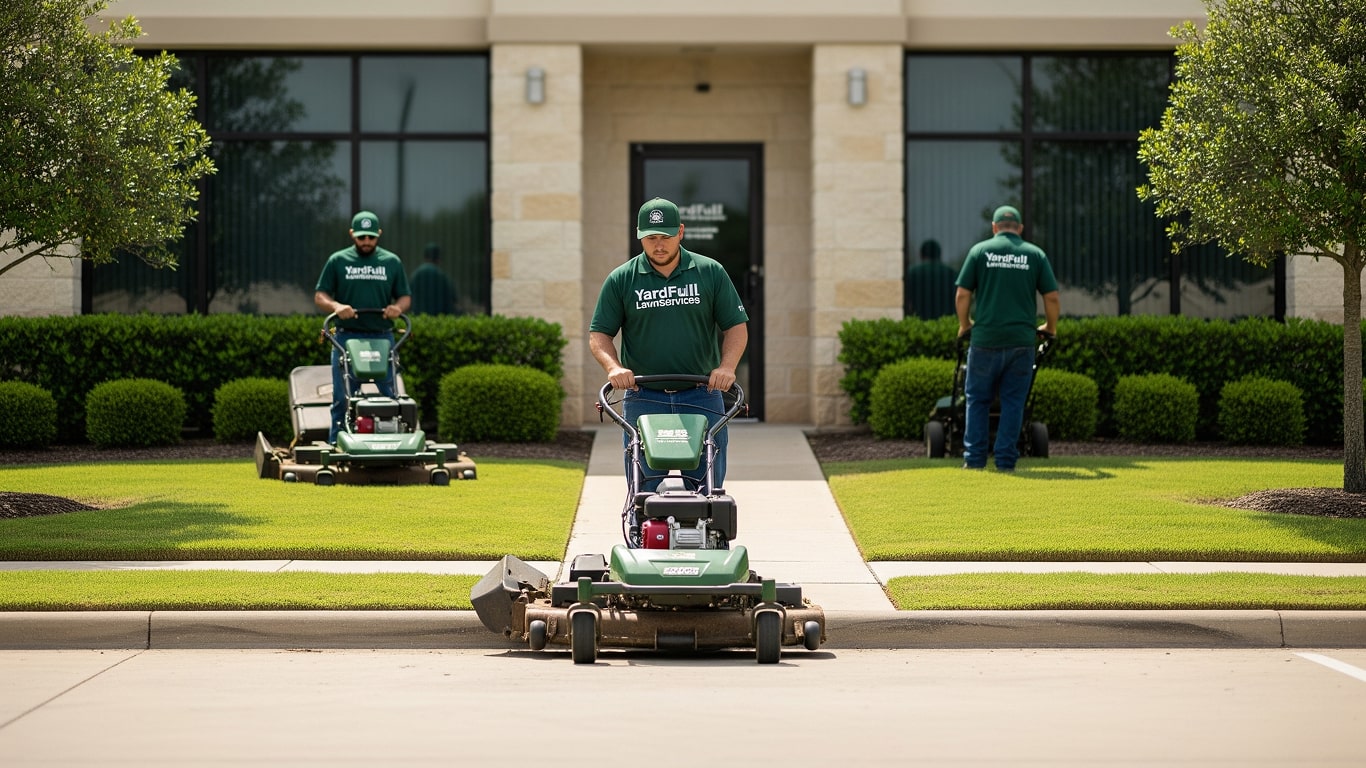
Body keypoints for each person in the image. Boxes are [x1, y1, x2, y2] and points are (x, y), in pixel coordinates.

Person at [589, 196, 749, 494]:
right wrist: (614, 368)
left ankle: (710, 535)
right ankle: (641, 534)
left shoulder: (710, 272)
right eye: (650, 238)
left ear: (681, 232)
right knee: (642, 491)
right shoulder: (622, 279)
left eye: (665, 236)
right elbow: (599, 334)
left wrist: (727, 367)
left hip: (703, 395)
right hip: (644, 397)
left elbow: (736, 328)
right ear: (640, 237)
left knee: (708, 489)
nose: (658, 245)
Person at [954, 205, 1060, 472]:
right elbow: (1052, 297)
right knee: (1013, 402)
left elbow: (963, 295)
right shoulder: (1035, 254)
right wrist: (1050, 326)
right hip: (1021, 342)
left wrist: (965, 324)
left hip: (984, 340)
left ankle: (975, 460)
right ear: (1020, 229)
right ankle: (1005, 461)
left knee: (977, 400)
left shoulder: (979, 252)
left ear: (994, 227)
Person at [313, 210, 411, 445]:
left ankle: (396, 442)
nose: (366, 242)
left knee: (391, 396)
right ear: (351, 235)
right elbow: (320, 296)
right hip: (346, 338)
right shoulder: (338, 260)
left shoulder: (391, 262)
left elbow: (405, 297)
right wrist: (336, 306)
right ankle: (336, 444)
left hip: (383, 337)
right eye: (361, 237)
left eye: (370, 237)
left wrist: (397, 308)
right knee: (341, 398)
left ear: (378, 234)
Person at [905, 238, 957, 320]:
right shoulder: (952, 274)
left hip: (919, 324)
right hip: (947, 325)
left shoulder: (912, 273)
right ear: (939, 255)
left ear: (921, 255)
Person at [409, 242, 457, 315]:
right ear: (438, 259)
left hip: (418, 318)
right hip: (438, 320)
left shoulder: (416, 275)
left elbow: (407, 296)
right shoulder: (442, 276)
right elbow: (453, 299)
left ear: (425, 257)